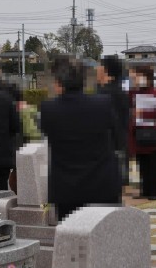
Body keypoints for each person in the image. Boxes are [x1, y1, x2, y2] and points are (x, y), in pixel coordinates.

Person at [41, 55, 121, 221]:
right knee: (107, 239)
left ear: (58, 82)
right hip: (102, 185)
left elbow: (48, 136)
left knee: (72, 241)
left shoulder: (48, 109)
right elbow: (117, 138)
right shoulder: (103, 104)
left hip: (67, 190)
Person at [129, 66, 156, 200]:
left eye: (139, 75)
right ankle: (145, 189)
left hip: (152, 132)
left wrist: (142, 112)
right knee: (142, 162)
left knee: (154, 163)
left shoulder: (155, 93)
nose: (137, 79)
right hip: (139, 132)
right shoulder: (135, 92)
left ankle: (155, 191)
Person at [97, 55, 130, 187]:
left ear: (106, 71)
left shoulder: (106, 94)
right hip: (118, 143)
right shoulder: (119, 91)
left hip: (108, 147)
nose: (96, 69)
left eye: (99, 66)